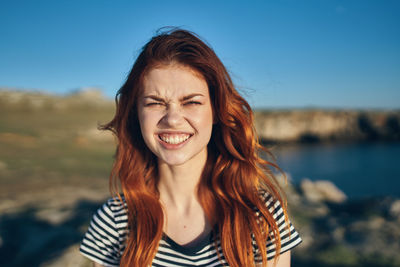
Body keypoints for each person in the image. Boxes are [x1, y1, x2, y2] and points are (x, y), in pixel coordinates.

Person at [79, 28, 301, 267]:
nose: (172, 119)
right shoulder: (115, 221)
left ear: (216, 111)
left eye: (192, 102)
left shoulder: (260, 214)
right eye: (155, 103)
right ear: (137, 115)